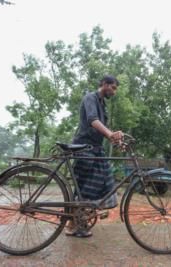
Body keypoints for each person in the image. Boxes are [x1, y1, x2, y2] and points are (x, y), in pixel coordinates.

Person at [66, 75, 124, 238]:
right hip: (84, 147)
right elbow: (93, 120)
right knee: (84, 187)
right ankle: (75, 225)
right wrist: (110, 134)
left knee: (103, 180)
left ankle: (78, 221)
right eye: (113, 88)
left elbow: (103, 128)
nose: (114, 92)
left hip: (96, 148)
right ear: (104, 84)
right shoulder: (90, 98)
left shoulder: (102, 104)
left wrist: (115, 138)